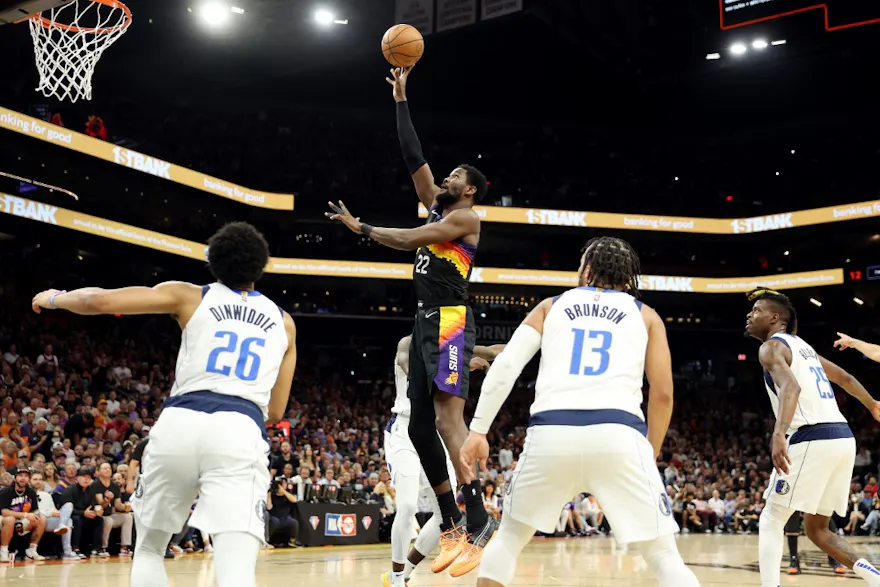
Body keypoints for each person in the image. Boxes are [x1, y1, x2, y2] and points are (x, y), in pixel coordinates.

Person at [31, 222, 297, 587]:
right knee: (235, 565)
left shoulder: (190, 295)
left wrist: (54, 297)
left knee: (150, 549)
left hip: (180, 422)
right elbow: (277, 412)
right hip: (240, 426)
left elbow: (100, 301)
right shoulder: (285, 323)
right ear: (261, 266)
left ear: (213, 263)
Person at [327, 64, 494, 577]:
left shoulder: (464, 220)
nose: (446, 178)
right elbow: (413, 157)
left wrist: (363, 228)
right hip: (425, 318)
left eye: (456, 177)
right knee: (420, 425)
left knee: (446, 419)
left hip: (448, 319)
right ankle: (451, 520)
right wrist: (401, 101)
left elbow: (406, 240)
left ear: (470, 191)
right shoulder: (436, 207)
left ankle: (478, 511)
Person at [460, 236, 700, 587]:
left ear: (587, 269)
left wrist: (478, 430)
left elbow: (507, 365)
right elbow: (662, 393)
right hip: (619, 433)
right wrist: (649, 452)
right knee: (663, 556)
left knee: (509, 539)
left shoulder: (551, 305)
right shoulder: (646, 315)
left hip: (551, 433)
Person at [744, 287, 880, 587]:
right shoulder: (804, 348)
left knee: (770, 518)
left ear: (775, 318)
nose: (749, 315)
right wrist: (872, 404)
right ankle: (875, 578)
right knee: (817, 528)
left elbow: (791, 388)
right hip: (843, 438)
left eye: (757, 311)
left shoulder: (770, 348)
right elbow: (845, 378)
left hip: (812, 437)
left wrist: (778, 433)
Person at [381, 336, 500, 587]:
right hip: (404, 430)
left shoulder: (450, 346)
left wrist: (536, 342)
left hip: (432, 433)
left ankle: (405, 574)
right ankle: (395, 577)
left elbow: (490, 351)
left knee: (447, 515)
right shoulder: (407, 342)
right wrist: (462, 365)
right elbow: (413, 370)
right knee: (406, 506)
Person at [0, 466, 46, 562]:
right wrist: (25, 515)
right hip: (3, 520)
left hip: (20, 521)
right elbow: (4, 512)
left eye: (26, 476)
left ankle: (32, 550)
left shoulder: (31, 492)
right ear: (15, 477)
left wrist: (32, 517)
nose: (23, 478)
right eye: (20, 475)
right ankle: (3, 551)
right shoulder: (6, 491)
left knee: (42, 519)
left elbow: (35, 511)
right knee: (10, 519)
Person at [30, 471, 78, 561]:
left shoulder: (46, 495)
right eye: (35, 479)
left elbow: (52, 509)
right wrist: (49, 513)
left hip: (49, 520)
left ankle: (67, 552)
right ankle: (67, 550)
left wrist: (56, 513)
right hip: (38, 520)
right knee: (68, 521)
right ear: (30, 481)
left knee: (68, 507)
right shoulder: (29, 494)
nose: (38, 481)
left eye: (40, 479)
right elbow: (33, 512)